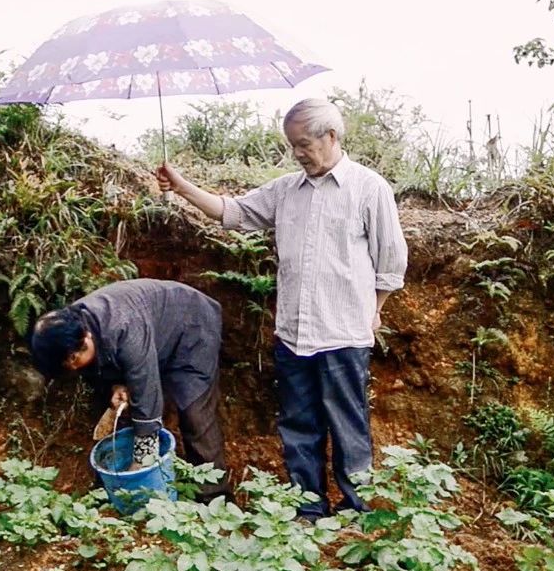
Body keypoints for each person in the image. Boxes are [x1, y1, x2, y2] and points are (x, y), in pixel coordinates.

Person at [156, 98, 408, 519]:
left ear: (331, 137)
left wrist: (375, 308)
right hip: (293, 335)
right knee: (298, 427)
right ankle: (308, 511)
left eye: (304, 143)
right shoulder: (285, 191)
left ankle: (357, 512)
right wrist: (182, 187)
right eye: (292, 145)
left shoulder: (369, 189)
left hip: (344, 333)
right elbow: (232, 212)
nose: (298, 153)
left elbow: (391, 262)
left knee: (349, 428)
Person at [30, 278, 232, 501]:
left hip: (192, 326)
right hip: (154, 331)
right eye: (67, 365)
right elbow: (100, 366)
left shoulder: (122, 326)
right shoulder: (70, 330)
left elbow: (147, 390)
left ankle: (215, 498)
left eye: (75, 359)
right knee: (126, 411)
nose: (73, 366)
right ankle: (114, 487)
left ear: (86, 337)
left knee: (195, 413)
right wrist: (115, 385)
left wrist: (142, 460)